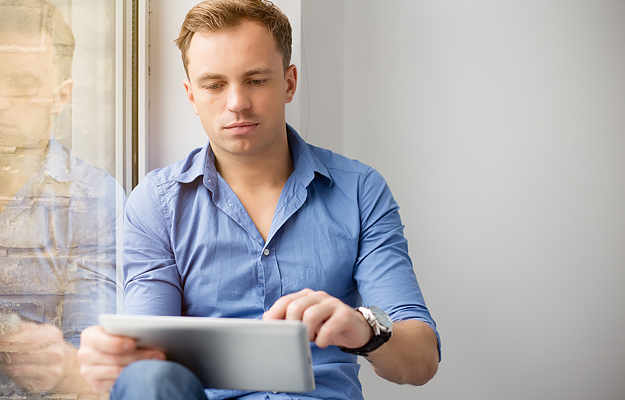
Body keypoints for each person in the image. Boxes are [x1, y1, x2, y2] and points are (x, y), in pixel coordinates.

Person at [77, 0, 441, 399]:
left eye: (255, 80)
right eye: (214, 85)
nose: (237, 103)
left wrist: (362, 329)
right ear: (191, 95)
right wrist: (114, 358)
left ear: (288, 83)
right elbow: (146, 366)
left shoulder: (360, 190)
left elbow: (421, 362)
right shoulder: (157, 202)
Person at [0, 0, 122, 397]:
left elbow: (92, 368)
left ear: (61, 97)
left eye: (22, 84)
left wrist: (62, 367)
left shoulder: (95, 201)